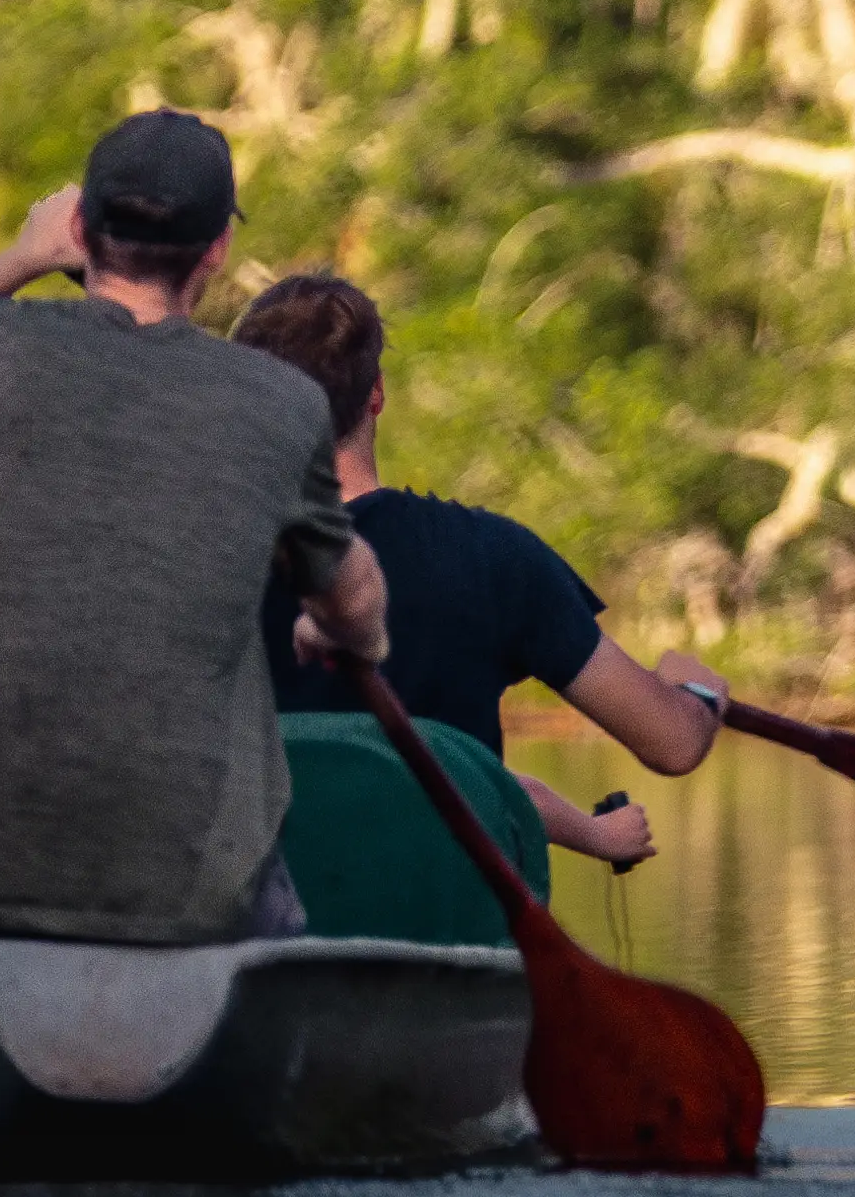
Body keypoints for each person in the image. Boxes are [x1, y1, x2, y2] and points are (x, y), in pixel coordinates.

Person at [0, 105, 390, 944]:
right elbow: (350, 594)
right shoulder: (280, 402)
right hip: (194, 901)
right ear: (217, 250)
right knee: (278, 898)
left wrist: (22, 258)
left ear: (81, 227)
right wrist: (348, 627)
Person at [228, 269, 722, 871]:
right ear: (376, 392)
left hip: (264, 922)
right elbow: (672, 742)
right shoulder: (496, 558)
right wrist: (697, 693)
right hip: (452, 922)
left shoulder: (198, 565)